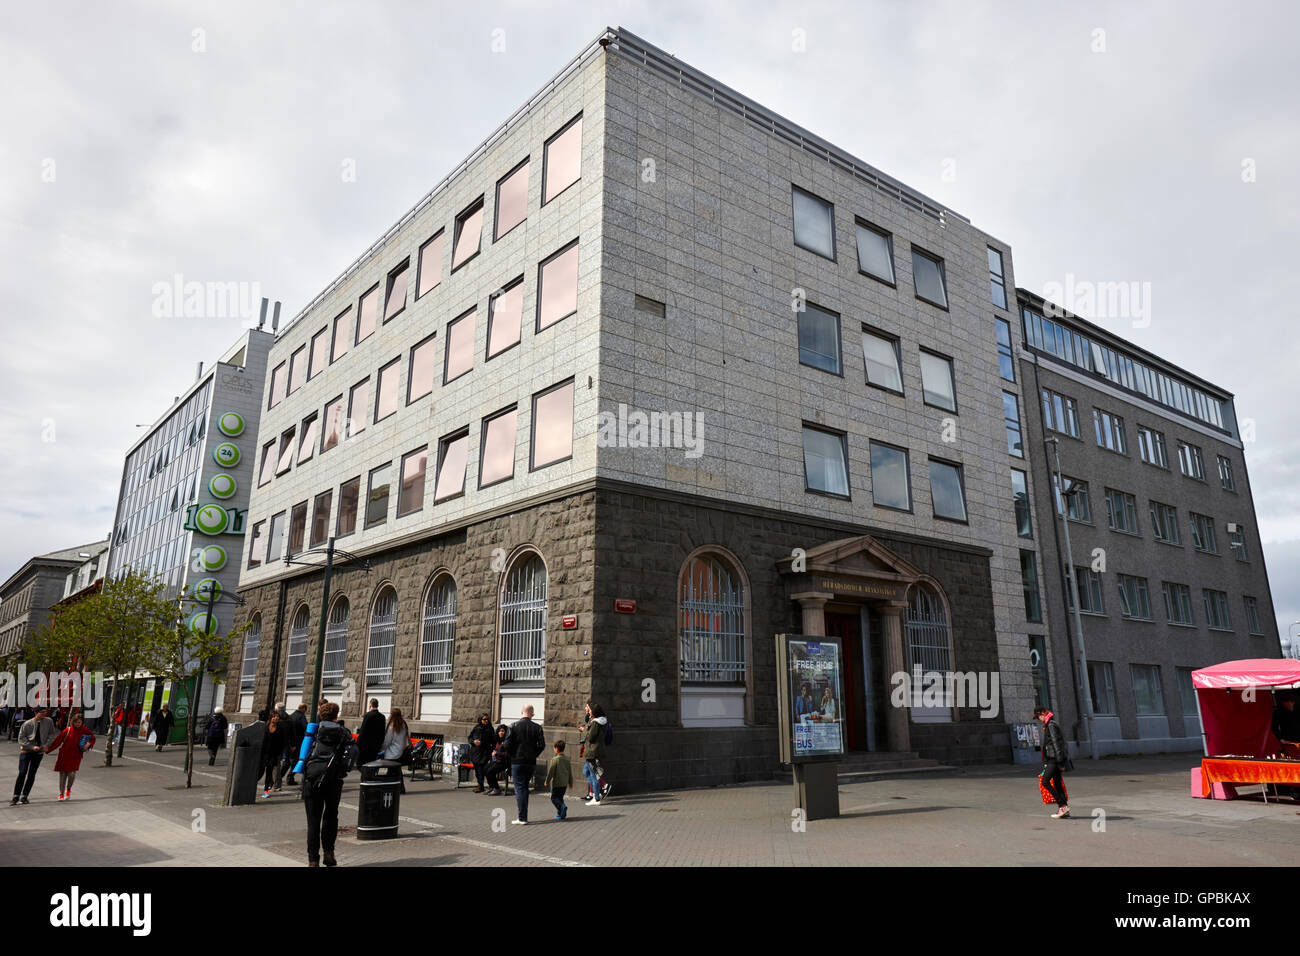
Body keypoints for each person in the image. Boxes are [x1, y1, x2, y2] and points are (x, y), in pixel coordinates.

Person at [301, 701, 357, 867]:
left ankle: (312, 860)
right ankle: (329, 853)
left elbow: (303, 752)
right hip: (333, 779)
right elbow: (353, 751)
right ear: (336, 715)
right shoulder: (343, 732)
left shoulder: (314, 730)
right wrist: (343, 771)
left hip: (312, 778)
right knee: (331, 816)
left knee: (313, 821)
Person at [505, 705, 545, 824]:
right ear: (532, 714)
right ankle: (523, 816)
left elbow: (507, 744)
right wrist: (533, 754)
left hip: (517, 761)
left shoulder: (513, 726)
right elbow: (542, 745)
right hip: (530, 762)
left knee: (520, 788)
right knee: (525, 788)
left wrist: (513, 755)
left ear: (522, 712)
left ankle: (522, 817)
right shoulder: (537, 728)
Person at [12, 706, 57, 805]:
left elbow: (52, 734)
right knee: (22, 772)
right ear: (36, 713)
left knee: (32, 774)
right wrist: (32, 747)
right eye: (41, 712)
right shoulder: (27, 724)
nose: (44, 714)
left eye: (45, 712)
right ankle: (15, 796)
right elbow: (21, 739)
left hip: (39, 752)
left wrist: (46, 745)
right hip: (26, 751)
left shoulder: (48, 721)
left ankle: (25, 796)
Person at [49, 712, 95, 801]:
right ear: (72, 722)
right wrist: (48, 750)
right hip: (64, 755)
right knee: (62, 775)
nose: (77, 724)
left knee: (71, 774)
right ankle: (61, 794)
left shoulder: (85, 730)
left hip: (76, 756)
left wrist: (89, 744)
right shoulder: (67, 730)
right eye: (75, 722)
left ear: (82, 723)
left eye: (79, 722)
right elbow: (57, 741)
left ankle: (68, 790)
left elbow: (93, 738)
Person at [1035, 706, 1070, 819]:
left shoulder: (1050, 725)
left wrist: (1060, 761)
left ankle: (1062, 806)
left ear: (1043, 714)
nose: (1039, 719)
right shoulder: (1050, 724)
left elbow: (1056, 743)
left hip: (1054, 759)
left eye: (1039, 716)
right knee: (1057, 784)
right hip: (1053, 758)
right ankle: (1064, 809)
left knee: (1045, 782)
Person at [580, 701, 611, 804]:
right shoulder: (602, 721)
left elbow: (590, 737)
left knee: (593, 775)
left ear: (594, 711)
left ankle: (596, 797)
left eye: (589, 709)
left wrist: (583, 730)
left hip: (592, 752)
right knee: (586, 772)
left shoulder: (595, 723)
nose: (587, 710)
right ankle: (600, 789)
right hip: (595, 751)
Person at [381, 708, 410, 794]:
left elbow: (387, 741)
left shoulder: (391, 726)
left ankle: (388, 788)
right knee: (397, 771)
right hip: (400, 751)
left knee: (390, 772)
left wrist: (381, 748)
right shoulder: (403, 724)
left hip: (391, 753)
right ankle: (400, 788)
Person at [544, 740, 573, 821]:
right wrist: (570, 782)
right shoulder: (567, 759)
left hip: (557, 783)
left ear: (556, 749)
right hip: (564, 783)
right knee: (560, 798)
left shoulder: (555, 759)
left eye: (554, 748)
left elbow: (551, 772)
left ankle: (562, 807)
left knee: (554, 798)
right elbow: (570, 771)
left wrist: (547, 781)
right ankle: (561, 814)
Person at [262, 709, 287, 797]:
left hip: (274, 754)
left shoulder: (280, 728)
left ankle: (266, 791)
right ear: (270, 718)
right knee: (261, 771)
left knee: (269, 771)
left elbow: (283, 741)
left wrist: (281, 753)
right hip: (264, 753)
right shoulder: (265, 727)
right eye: (274, 717)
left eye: (277, 717)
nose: (276, 718)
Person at [467, 713, 494, 793]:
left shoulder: (490, 729)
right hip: (475, 752)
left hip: (484, 752)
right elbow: (470, 737)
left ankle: (485, 786)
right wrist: (473, 741)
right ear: (480, 720)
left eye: (487, 719)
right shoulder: (476, 728)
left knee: (483, 769)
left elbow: (493, 741)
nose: (486, 721)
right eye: (484, 719)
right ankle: (480, 785)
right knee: (477, 769)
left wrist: (490, 748)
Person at [284, 702, 309, 786]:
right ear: (304, 709)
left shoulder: (291, 716)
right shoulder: (301, 717)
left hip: (290, 743)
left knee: (287, 761)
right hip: (298, 742)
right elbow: (306, 727)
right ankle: (290, 777)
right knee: (296, 761)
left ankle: (278, 778)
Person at [357, 698, 386, 765]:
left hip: (366, 745)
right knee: (371, 763)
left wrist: (358, 743)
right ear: (377, 705)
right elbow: (382, 732)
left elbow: (363, 730)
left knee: (361, 764)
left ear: (370, 705)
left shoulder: (368, 715)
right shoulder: (382, 717)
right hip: (376, 745)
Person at [485, 724, 510, 795]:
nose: (501, 733)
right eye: (499, 731)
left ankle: (496, 788)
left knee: (490, 772)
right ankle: (491, 787)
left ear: (506, 732)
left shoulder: (507, 742)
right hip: (496, 761)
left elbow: (508, 754)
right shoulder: (498, 741)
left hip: (503, 762)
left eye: (502, 731)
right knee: (485, 769)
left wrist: (497, 753)